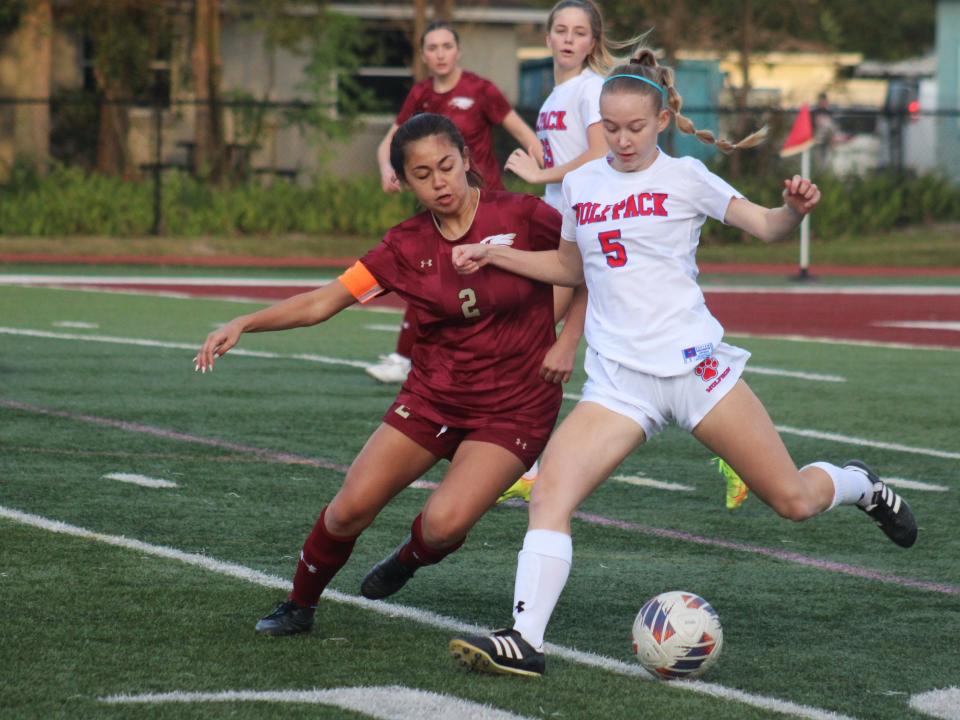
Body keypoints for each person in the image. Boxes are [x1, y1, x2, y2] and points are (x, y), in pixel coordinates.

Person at [447, 49, 918, 677]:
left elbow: (769, 228)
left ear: (663, 119)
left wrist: (795, 212)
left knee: (794, 501)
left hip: (696, 372)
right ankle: (524, 639)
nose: (621, 140)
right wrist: (494, 255)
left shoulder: (687, 178)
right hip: (619, 381)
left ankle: (858, 483)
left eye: (635, 128)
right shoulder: (583, 183)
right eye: (610, 128)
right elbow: (569, 267)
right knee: (549, 496)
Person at [195, 113, 569, 636]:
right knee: (349, 508)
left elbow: (588, 267)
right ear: (405, 182)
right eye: (422, 173)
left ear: (466, 159)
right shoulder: (404, 246)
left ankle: (408, 558)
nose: (439, 181)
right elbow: (325, 301)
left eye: (446, 166)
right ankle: (299, 604)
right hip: (436, 395)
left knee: (443, 525)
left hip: (516, 405)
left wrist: (567, 341)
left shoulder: (525, 215)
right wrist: (246, 322)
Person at [500, 0, 635, 502]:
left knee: (533, 344)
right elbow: (570, 156)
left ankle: (527, 462)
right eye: (561, 29)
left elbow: (599, 156)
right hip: (561, 227)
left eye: (579, 32)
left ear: (593, 42)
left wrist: (540, 175)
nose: (569, 38)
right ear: (548, 36)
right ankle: (525, 460)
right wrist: (540, 164)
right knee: (536, 345)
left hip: (583, 231)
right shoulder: (556, 93)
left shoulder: (590, 89)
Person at [367, 20, 543, 385]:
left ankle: (517, 354)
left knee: (504, 286)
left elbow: (525, 133)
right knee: (433, 282)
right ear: (423, 56)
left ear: (458, 50)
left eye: (446, 46)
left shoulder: (481, 90)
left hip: (485, 209)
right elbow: (391, 140)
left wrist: (540, 170)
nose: (440, 53)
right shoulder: (420, 95)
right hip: (443, 211)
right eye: (432, 48)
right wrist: (387, 168)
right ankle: (409, 358)